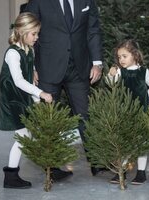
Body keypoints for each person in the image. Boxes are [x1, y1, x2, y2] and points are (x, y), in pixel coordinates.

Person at [25, 0, 104, 177]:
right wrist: (31, 66)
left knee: (85, 114)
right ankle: (51, 166)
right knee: (49, 117)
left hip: (79, 67)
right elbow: (26, 31)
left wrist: (97, 62)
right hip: (47, 67)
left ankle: (96, 161)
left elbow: (93, 30)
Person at [0, 12, 53, 189]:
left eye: (37, 33)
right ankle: (10, 177)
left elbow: (30, 66)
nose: (36, 37)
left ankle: (15, 174)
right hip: (13, 99)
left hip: (22, 97)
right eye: (34, 34)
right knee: (23, 136)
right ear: (22, 32)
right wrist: (41, 93)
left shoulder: (28, 48)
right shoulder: (13, 53)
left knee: (26, 136)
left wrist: (34, 71)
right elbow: (19, 80)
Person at [107, 39, 149, 185]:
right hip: (124, 113)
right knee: (124, 142)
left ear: (134, 55)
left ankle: (141, 173)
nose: (121, 60)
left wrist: (145, 97)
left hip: (141, 113)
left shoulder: (144, 72)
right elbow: (111, 83)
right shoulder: (120, 72)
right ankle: (121, 170)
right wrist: (111, 74)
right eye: (119, 57)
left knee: (141, 143)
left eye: (124, 56)